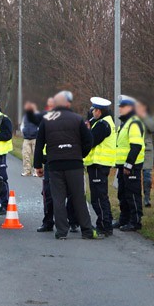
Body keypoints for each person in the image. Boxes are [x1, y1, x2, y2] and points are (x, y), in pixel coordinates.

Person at [33, 91, 98, 240]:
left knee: (58, 199)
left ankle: (61, 231)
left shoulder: (46, 120)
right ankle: (87, 230)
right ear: (68, 104)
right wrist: (80, 154)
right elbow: (89, 140)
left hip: (55, 164)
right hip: (74, 164)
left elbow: (39, 144)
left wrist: (38, 165)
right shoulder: (77, 119)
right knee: (78, 198)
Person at [26, 99, 78, 232]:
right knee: (49, 194)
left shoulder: (72, 121)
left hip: (68, 162)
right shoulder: (46, 121)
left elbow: (82, 141)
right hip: (51, 163)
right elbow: (39, 144)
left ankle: (72, 221)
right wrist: (38, 164)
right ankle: (48, 221)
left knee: (71, 193)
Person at [114, 95, 146, 232]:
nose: (120, 109)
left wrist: (128, 165)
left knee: (132, 194)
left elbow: (136, 146)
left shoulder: (134, 123)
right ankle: (124, 219)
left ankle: (135, 221)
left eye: (123, 107)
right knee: (123, 193)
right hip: (123, 165)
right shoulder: (126, 123)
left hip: (131, 166)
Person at [84, 97, 116, 236]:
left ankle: (104, 225)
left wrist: (87, 131)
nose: (92, 113)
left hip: (99, 164)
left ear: (100, 111)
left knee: (98, 197)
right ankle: (104, 223)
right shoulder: (103, 122)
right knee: (100, 196)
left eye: (94, 110)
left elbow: (91, 140)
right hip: (99, 164)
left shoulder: (103, 124)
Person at [137, 102, 154, 207]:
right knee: (134, 175)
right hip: (134, 147)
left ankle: (146, 198)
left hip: (146, 148)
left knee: (147, 175)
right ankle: (135, 197)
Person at [20, 102, 39, 176]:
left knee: (36, 155)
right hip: (26, 138)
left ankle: (36, 171)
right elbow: (22, 125)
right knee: (25, 155)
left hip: (35, 138)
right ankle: (27, 171)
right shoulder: (25, 116)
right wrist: (23, 131)